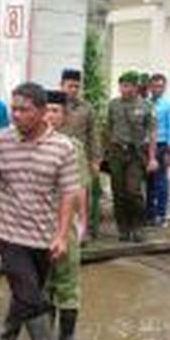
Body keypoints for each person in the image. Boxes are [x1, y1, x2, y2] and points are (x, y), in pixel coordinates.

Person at [0, 82, 79, 340]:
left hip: (43, 235)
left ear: (41, 113)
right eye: (13, 108)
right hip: (8, 231)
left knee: (26, 290)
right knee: (29, 292)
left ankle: (9, 333)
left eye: (24, 109)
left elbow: (68, 194)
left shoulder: (63, 147)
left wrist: (62, 235)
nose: (16, 115)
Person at [45, 89, 89, 340]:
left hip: (65, 222)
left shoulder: (74, 147)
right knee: (43, 282)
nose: (50, 116)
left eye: (56, 111)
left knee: (68, 280)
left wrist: (82, 220)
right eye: (47, 110)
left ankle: (67, 336)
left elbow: (80, 187)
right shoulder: (31, 142)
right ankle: (45, 334)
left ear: (64, 115)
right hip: (38, 223)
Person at [106, 71, 158, 242]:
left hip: (136, 153)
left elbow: (152, 133)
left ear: (136, 87)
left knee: (133, 191)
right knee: (118, 191)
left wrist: (151, 158)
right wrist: (104, 153)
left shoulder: (146, 106)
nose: (123, 89)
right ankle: (123, 227)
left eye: (127, 85)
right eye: (121, 85)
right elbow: (108, 129)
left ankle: (138, 226)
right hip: (116, 152)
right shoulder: (113, 105)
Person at [60, 68, 102, 239]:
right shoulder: (54, 106)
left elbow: (94, 134)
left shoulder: (87, 108)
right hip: (58, 157)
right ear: (61, 85)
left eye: (77, 87)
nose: (74, 90)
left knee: (83, 196)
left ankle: (84, 231)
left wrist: (95, 160)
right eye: (70, 86)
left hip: (80, 158)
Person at [146, 73, 170, 227]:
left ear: (164, 88)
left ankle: (161, 214)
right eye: (154, 86)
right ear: (149, 87)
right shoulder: (146, 103)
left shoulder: (169, 106)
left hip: (162, 146)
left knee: (161, 181)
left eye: (160, 86)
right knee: (149, 181)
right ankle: (149, 213)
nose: (157, 89)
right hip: (147, 146)